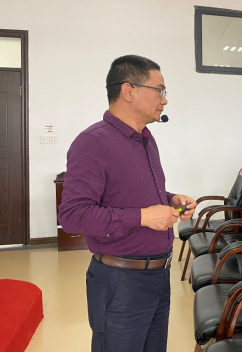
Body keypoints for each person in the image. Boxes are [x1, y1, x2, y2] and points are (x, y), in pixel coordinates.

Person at [58, 55, 197, 352]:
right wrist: (143, 217)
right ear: (128, 91)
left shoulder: (145, 138)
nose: (164, 100)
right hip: (120, 281)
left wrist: (170, 199)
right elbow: (72, 215)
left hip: (158, 275)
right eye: (160, 90)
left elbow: (132, 192)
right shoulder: (93, 142)